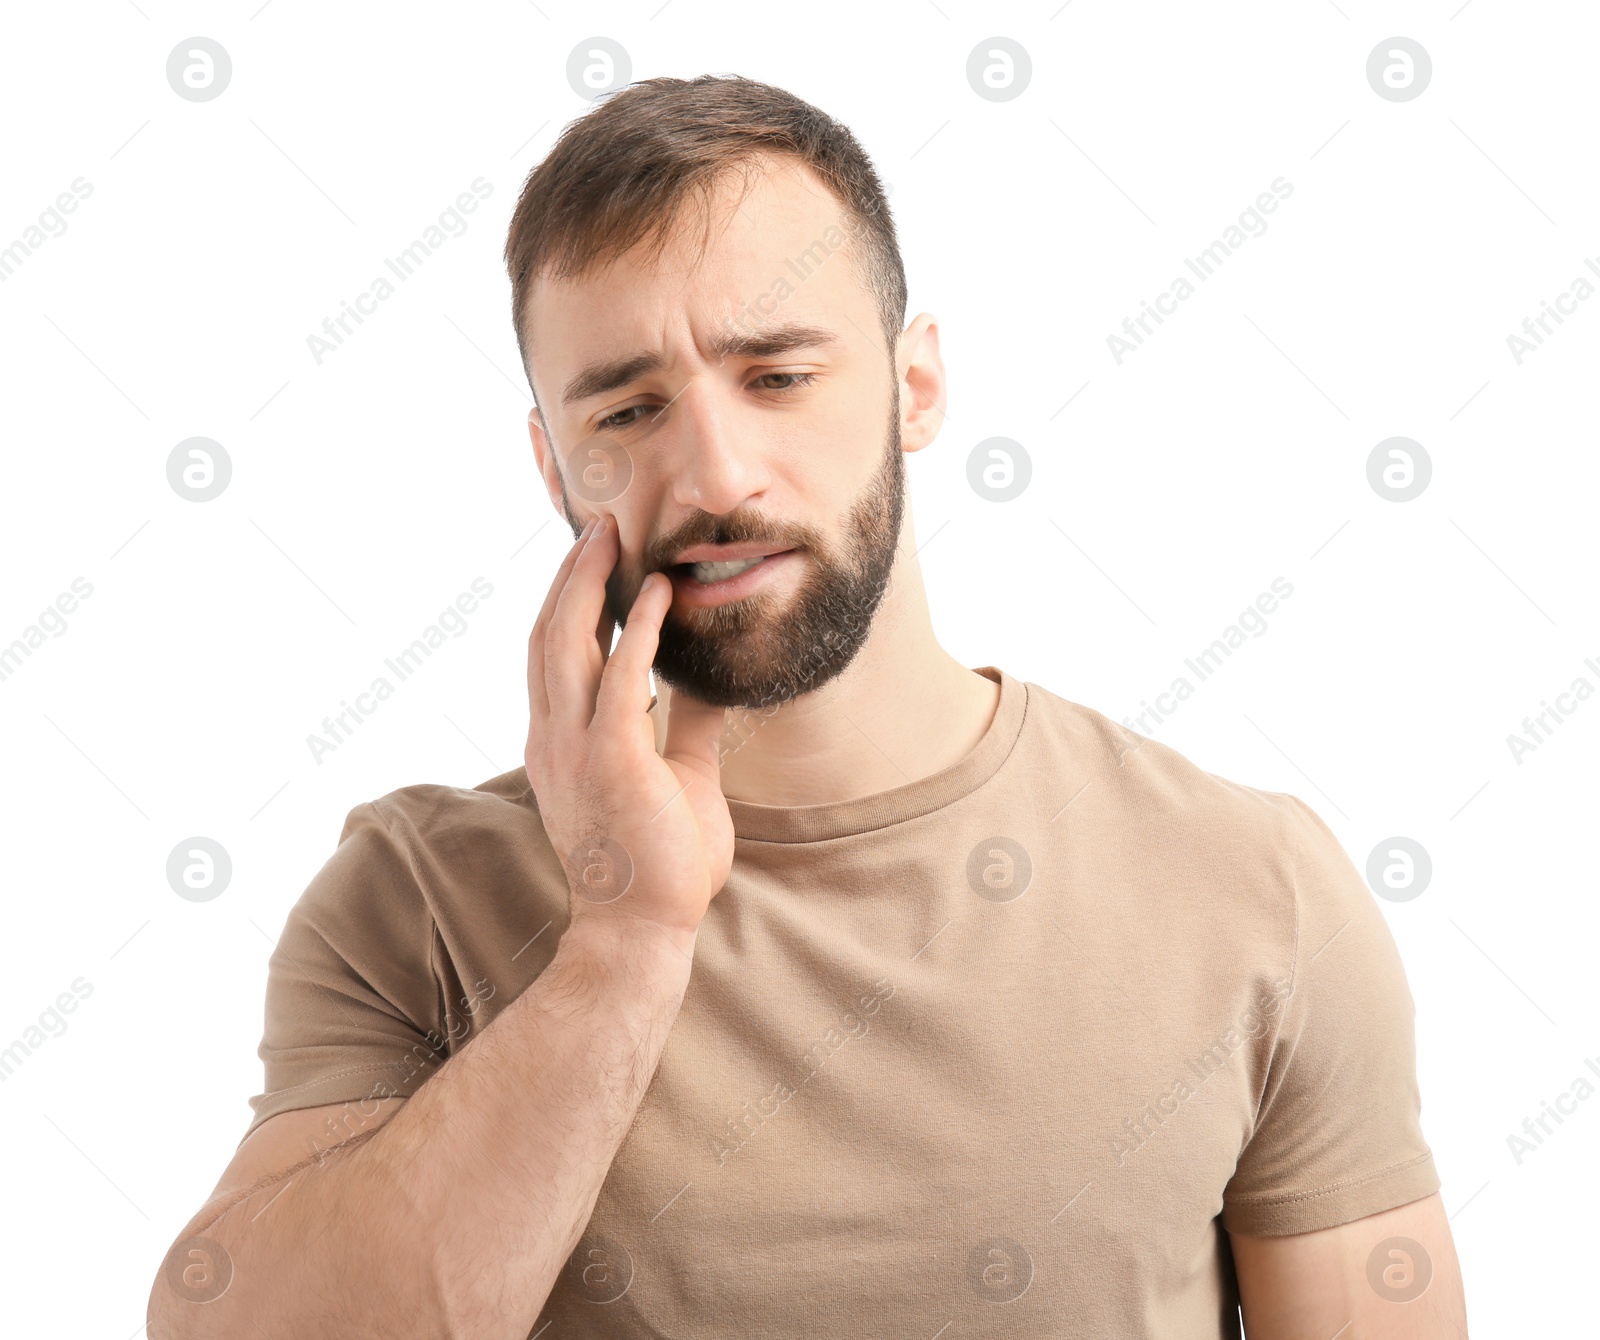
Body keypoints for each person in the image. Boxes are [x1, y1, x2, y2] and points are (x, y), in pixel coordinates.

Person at [147, 74, 1467, 1339]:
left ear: (916, 386)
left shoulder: (1256, 885)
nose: (714, 471)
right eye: (630, 406)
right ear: (557, 467)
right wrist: (625, 939)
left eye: (778, 376)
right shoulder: (414, 898)